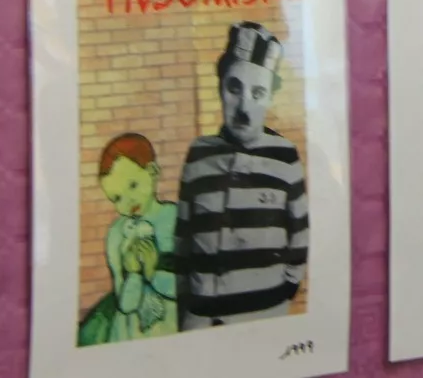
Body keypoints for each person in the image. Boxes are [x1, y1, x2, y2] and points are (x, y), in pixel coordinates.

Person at [176, 22, 308, 329]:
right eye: (234, 88)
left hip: (261, 317)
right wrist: (189, 305)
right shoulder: (198, 154)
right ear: (220, 87)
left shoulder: (284, 156)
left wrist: (279, 295)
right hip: (200, 320)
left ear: (270, 97)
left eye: (258, 92)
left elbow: (299, 236)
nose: (244, 106)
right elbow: (183, 241)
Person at [80, 133, 178, 343]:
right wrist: (133, 273)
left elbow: (189, 288)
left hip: (174, 327)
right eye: (117, 198)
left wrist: (152, 272)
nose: (128, 201)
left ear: (152, 171)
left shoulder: (175, 218)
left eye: (132, 186)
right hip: (130, 333)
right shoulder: (117, 234)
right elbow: (125, 305)